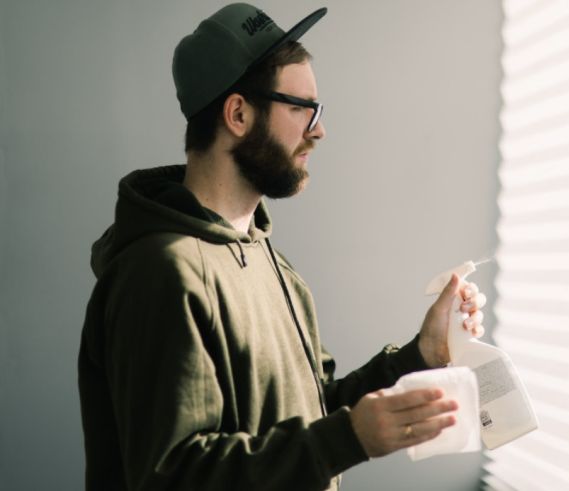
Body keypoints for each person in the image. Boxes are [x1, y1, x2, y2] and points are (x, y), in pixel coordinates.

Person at [77, 4, 487, 491]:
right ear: (239, 113)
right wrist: (348, 438)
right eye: (301, 108)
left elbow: (314, 411)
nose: (318, 129)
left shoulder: (269, 260)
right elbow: (175, 474)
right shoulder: (161, 273)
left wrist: (421, 353)